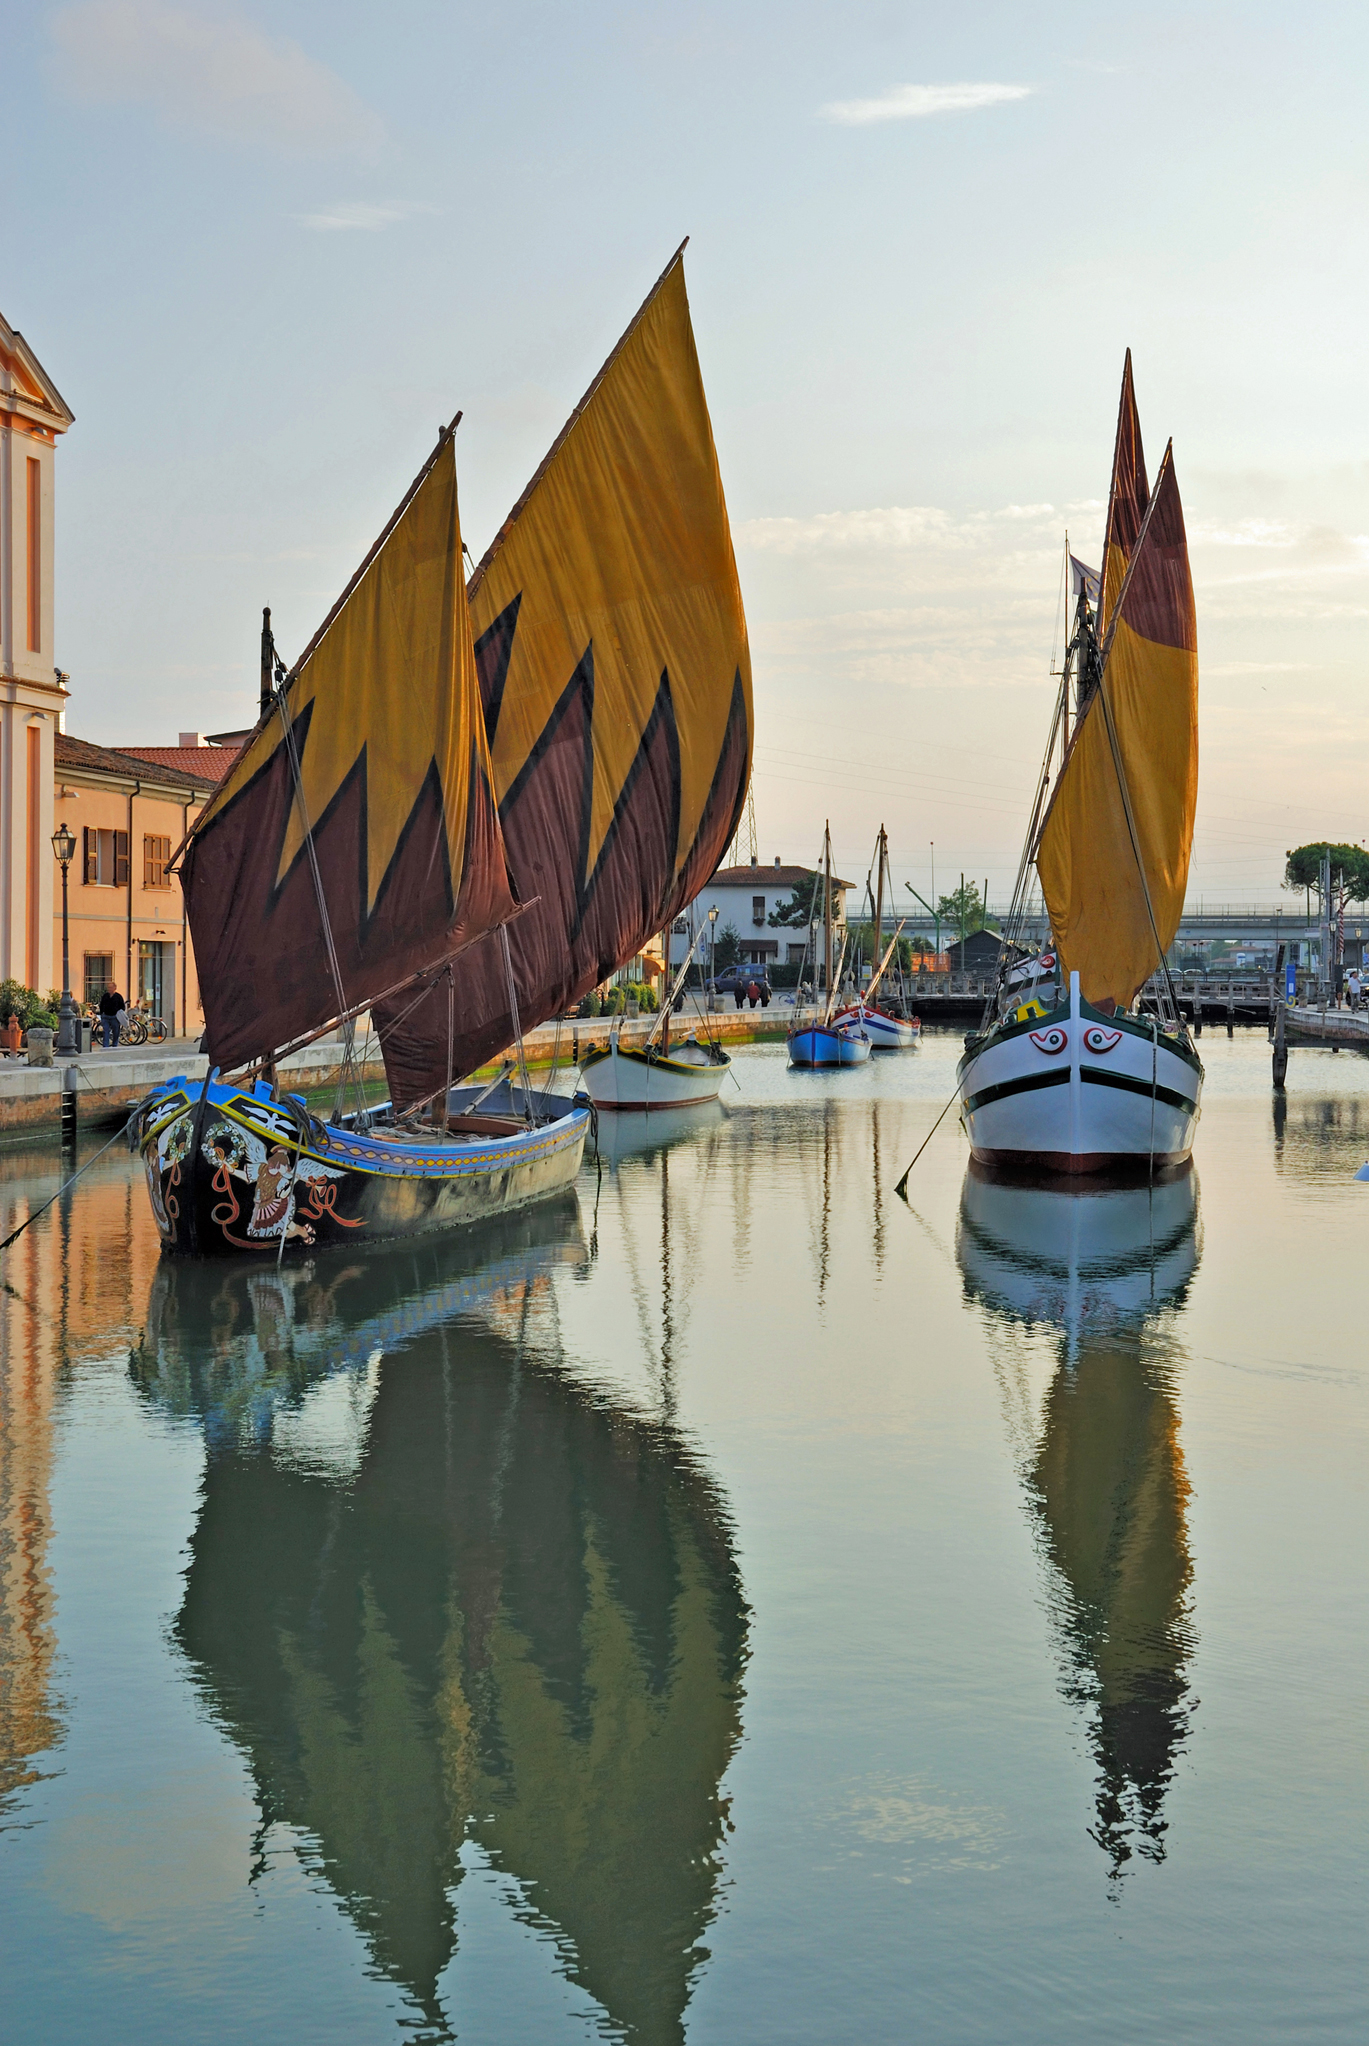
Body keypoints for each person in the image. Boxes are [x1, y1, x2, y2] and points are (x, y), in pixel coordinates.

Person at [98, 984, 126, 1048]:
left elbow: (122, 1007)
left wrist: (119, 1013)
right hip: (106, 1016)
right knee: (106, 1031)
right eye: (108, 987)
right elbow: (101, 1004)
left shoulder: (118, 996)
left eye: (110, 987)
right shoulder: (105, 996)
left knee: (116, 1031)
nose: (109, 989)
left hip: (114, 1017)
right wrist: (102, 1013)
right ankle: (105, 1045)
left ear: (115, 988)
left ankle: (115, 1044)